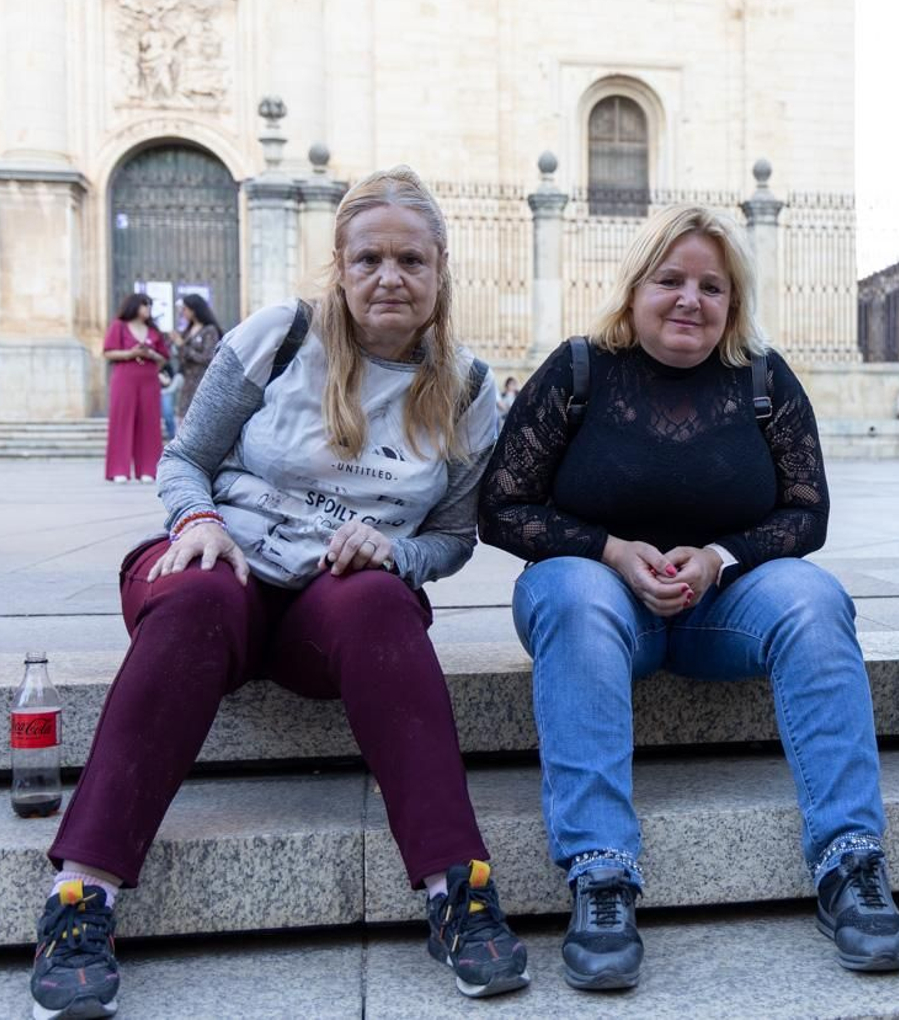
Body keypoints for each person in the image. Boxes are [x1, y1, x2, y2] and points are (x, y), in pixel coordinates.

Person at [28, 167, 529, 1020]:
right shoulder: (280, 337)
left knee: (378, 603)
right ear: (339, 263)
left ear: (442, 269)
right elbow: (185, 455)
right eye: (368, 257)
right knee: (195, 599)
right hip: (219, 565)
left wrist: (395, 553)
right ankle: (81, 899)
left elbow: (452, 537)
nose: (389, 277)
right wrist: (197, 520)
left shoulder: (470, 391)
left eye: (411, 259)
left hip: (325, 612)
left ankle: (458, 888)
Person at [478, 204, 899, 991]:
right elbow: (502, 507)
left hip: (724, 611)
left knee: (815, 597)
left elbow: (806, 513)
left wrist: (719, 557)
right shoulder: (578, 370)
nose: (691, 299)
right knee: (573, 593)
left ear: (734, 301)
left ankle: (852, 861)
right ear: (635, 287)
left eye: (712, 286)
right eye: (670, 279)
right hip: (601, 607)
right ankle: (601, 873)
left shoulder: (763, 379)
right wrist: (610, 551)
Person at [103, 292, 169, 482]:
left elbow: (163, 359)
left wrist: (152, 355)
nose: (148, 309)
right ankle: (118, 470)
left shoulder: (154, 331)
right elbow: (108, 352)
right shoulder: (119, 326)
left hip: (149, 378)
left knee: (149, 422)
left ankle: (149, 469)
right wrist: (130, 353)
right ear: (134, 306)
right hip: (124, 377)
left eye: (149, 305)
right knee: (121, 420)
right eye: (144, 305)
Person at [170, 292, 223, 423]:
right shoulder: (188, 331)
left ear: (194, 310)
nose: (183, 312)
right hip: (187, 384)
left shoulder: (209, 330)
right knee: (183, 421)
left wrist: (183, 347)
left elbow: (208, 358)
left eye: (185, 309)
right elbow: (182, 357)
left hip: (202, 382)